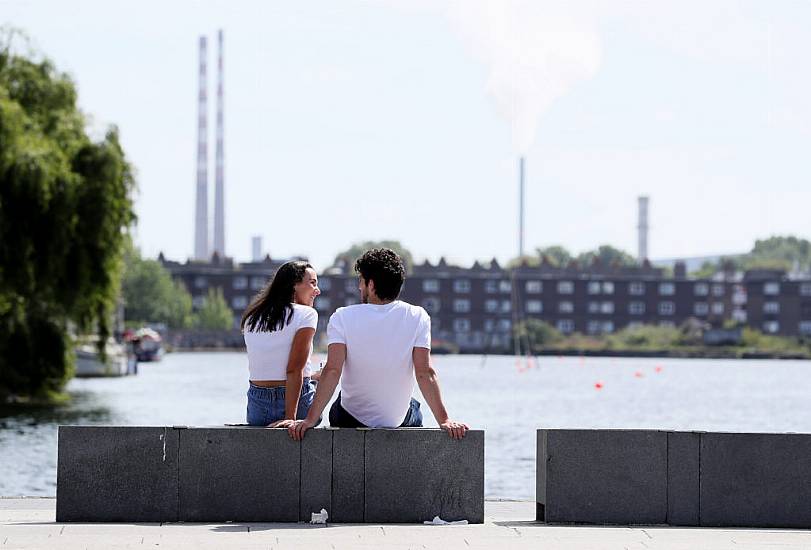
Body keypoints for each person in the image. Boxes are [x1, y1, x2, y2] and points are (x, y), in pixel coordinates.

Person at [275, 248, 468, 440]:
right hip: (396, 420)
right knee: (414, 407)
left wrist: (309, 420)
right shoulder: (418, 316)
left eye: (361, 281)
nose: (359, 287)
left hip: (350, 418)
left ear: (371, 284)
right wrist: (445, 420)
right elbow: (425, 373)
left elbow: (333, 370)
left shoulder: (342, 317)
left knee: (338, 406)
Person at [241, 261, 321, 426]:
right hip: (296, 405)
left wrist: (313, 376)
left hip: (258, 407)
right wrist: (290, 418)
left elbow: (272, 370)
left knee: (317, 377)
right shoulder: (307, 314)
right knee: (328, 380)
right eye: (312, 283)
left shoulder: (253, 317)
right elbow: (293, 369)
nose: (317, 291)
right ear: (293, 285)